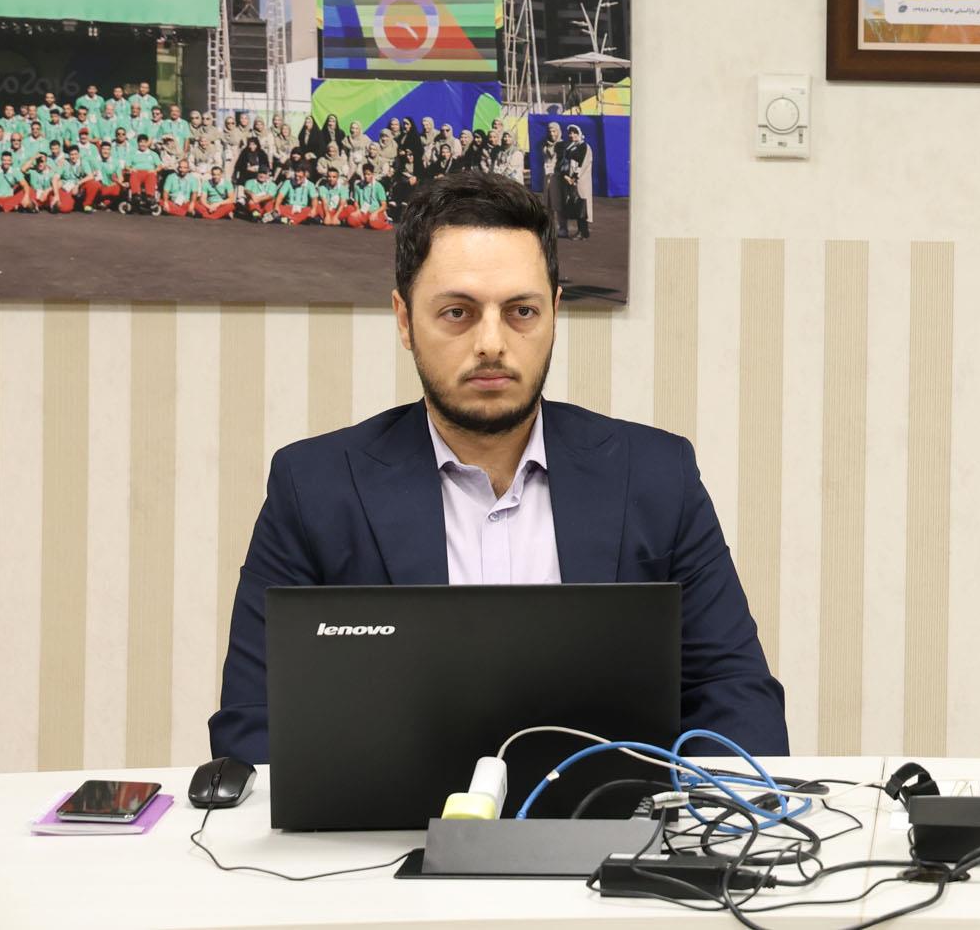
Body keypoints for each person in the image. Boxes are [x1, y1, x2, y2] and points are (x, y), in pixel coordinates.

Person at [210, 172, 787, 762]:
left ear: (554, 313)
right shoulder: (314, 488)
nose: (491, 343)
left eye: (521, 311)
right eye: (457, 312)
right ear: (405, 320)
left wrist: (690, 809)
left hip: (607, 814)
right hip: (380, 821)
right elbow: (255, 722)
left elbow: (737, 696)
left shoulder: (657, 476)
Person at [560, 124, 594, 242]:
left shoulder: (584, 146)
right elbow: (565, 162)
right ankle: (582, 231)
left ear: (579, 133)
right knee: (576, 204)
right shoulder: (570, 147)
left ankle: (583, 232)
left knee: (582, 204)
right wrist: (565, 175)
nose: (572, 135)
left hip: (581, 180)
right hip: (570, 180)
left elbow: (583, 163)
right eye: (570, 133)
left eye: (574, 133)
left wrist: (574, 177)